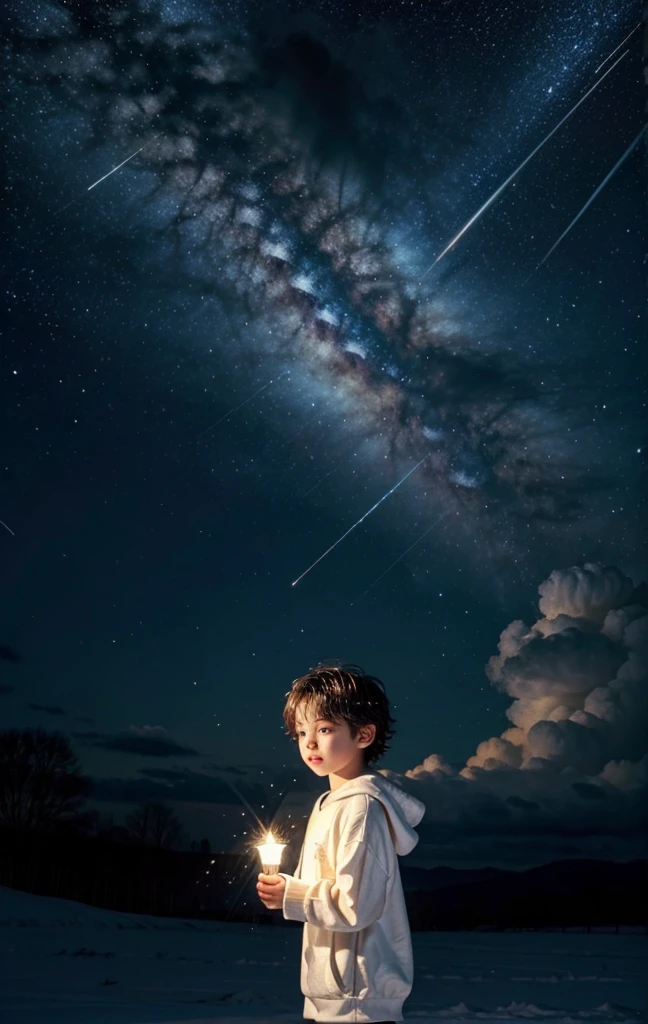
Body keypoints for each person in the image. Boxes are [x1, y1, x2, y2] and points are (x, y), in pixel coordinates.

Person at [257, 664, 425, 1024]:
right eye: (301, 732)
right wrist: (285, 889)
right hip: (329, 999)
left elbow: (354, 906)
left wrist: (292, 895)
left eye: (325, 729)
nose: (310, 743)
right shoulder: (326, 805)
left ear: (364, 735)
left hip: (359, 1003)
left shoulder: (362, 808)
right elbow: (317, 895)